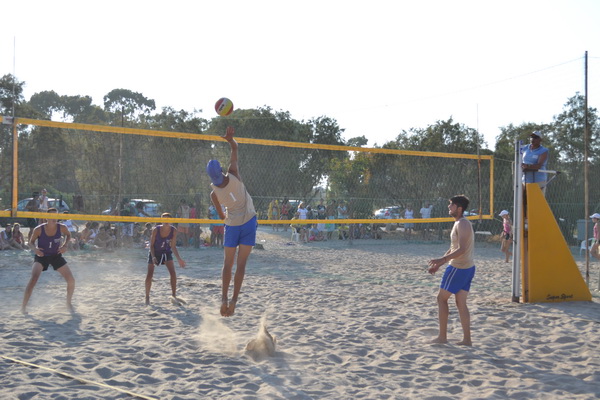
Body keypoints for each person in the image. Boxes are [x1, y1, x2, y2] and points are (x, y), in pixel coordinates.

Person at [207, 126, 258, 317]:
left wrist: (229, 213)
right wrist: (230, 140)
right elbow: (235, 149)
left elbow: (221, 216)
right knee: (241, 264)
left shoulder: (214, 194)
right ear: (221, 171)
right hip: (249, 221)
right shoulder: (233, 172)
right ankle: (234, 301)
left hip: (232, 225)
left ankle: (224, 299)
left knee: (227, 264)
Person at [427, 195, 475, 346]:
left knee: (441, 299)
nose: (449, 207)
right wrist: (440, 263)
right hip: (467, 267)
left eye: (451, 205)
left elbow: (461, 249)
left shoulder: (462, 223)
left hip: (458, 268)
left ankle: (442, 337)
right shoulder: (459, 223)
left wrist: (442, 260)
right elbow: (453, 248)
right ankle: (467, 340)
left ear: (459, 208)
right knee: (461, 303)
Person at [21, 208, 75, 314]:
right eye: (52, 216)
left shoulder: (62, 227)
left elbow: (69, 235)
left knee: (71, 280)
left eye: (56, 215)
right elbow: (30, 242)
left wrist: (65, 245)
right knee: (33, 279)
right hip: (42, 256)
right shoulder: (39, 229)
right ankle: (23, 307)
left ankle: (68, 303)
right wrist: (35, 249)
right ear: (46, 217)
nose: (54, 218)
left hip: (56, 255)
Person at [145, 213, 186, 305]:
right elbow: (151, 245)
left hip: (166, 251)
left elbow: (173, 246)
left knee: (173, 273)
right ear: (161, 220)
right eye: (164, 219)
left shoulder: (173, 230)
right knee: (149, 275)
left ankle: (174, 296)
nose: (166, 221)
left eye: (168, 219)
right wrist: (153, 256)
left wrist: (179, 259)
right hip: (154, 251)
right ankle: (147, 297)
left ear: (171, 221)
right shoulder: (156, 230)